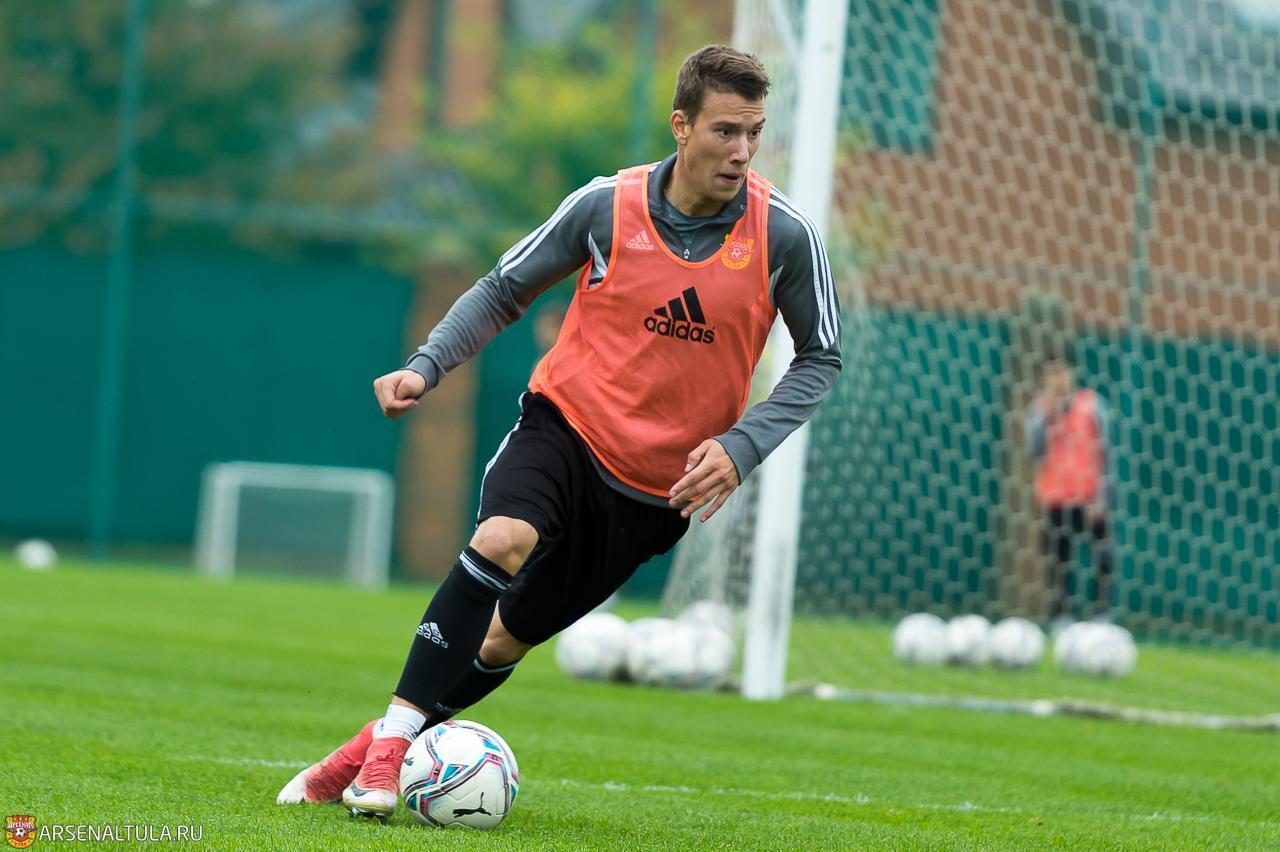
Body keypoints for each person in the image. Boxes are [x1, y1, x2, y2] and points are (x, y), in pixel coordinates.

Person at [276, 44, 842, 819]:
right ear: (681, 126)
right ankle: (386, 757)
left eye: (753, 133)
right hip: (565, 429)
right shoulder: (605, 206)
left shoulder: (785, 236)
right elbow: (502, 290)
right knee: (502, 538)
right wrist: (427, 366)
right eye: (724, 131)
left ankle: (356, 754)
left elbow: (820, 358)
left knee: (500, 644)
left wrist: (742, 447)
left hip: (654, 492)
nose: (741, 151)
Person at [1024, 356, 1112, 626]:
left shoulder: (1092, 404)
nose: (1057, 380)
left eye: (1061, 373)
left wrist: (1103, 496)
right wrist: (1045, 416)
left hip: (1089, 496)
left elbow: (1107, 450)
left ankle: (1100, 613)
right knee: (1059, 560)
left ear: (1071, 373)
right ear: (1044, 379)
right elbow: (1034, 450)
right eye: (1051, 375)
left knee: (1103, 556)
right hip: (1056, 497)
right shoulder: (1040, 409)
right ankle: (1060, 616)